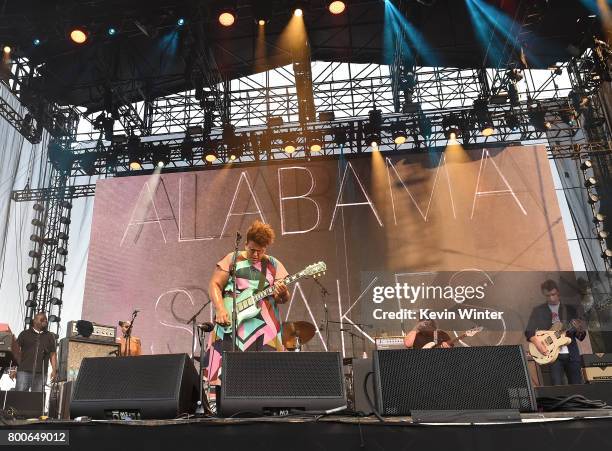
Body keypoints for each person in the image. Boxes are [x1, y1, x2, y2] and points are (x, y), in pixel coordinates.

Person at [206, 220, 289, 385]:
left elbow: (283, 299)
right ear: (245, 244)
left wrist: (283, 292)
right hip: (231, 321)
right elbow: (214, 284)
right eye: (252, 250)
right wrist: (221, 309)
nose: (256, 255)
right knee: (224, 371)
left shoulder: (273, 264)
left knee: (267, 372)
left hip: (265, 324)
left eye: (261, 251)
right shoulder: (232, 259)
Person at [525, 279, 586, 385]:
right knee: (556, 389)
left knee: (577, 387)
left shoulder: (570, 309)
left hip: (572, 355)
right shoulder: (539, 310)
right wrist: (538, 344)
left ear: (558, 292)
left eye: (553, 294)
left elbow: (581, 336)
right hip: (552, 356)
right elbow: (529, 331)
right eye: (547, 295)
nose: (551, 298)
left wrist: (579, 329)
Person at [15, 313, 57, 392]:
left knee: (37, 398)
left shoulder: (50, 336)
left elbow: (53, 354)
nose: (45, 321)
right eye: (42, 319)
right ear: (35, 321)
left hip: (41, 373)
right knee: (20, 396)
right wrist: (13, 369)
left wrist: (54, 370)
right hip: (23, 371)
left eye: (46, 319)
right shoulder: (24, 334)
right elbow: (16, 351)